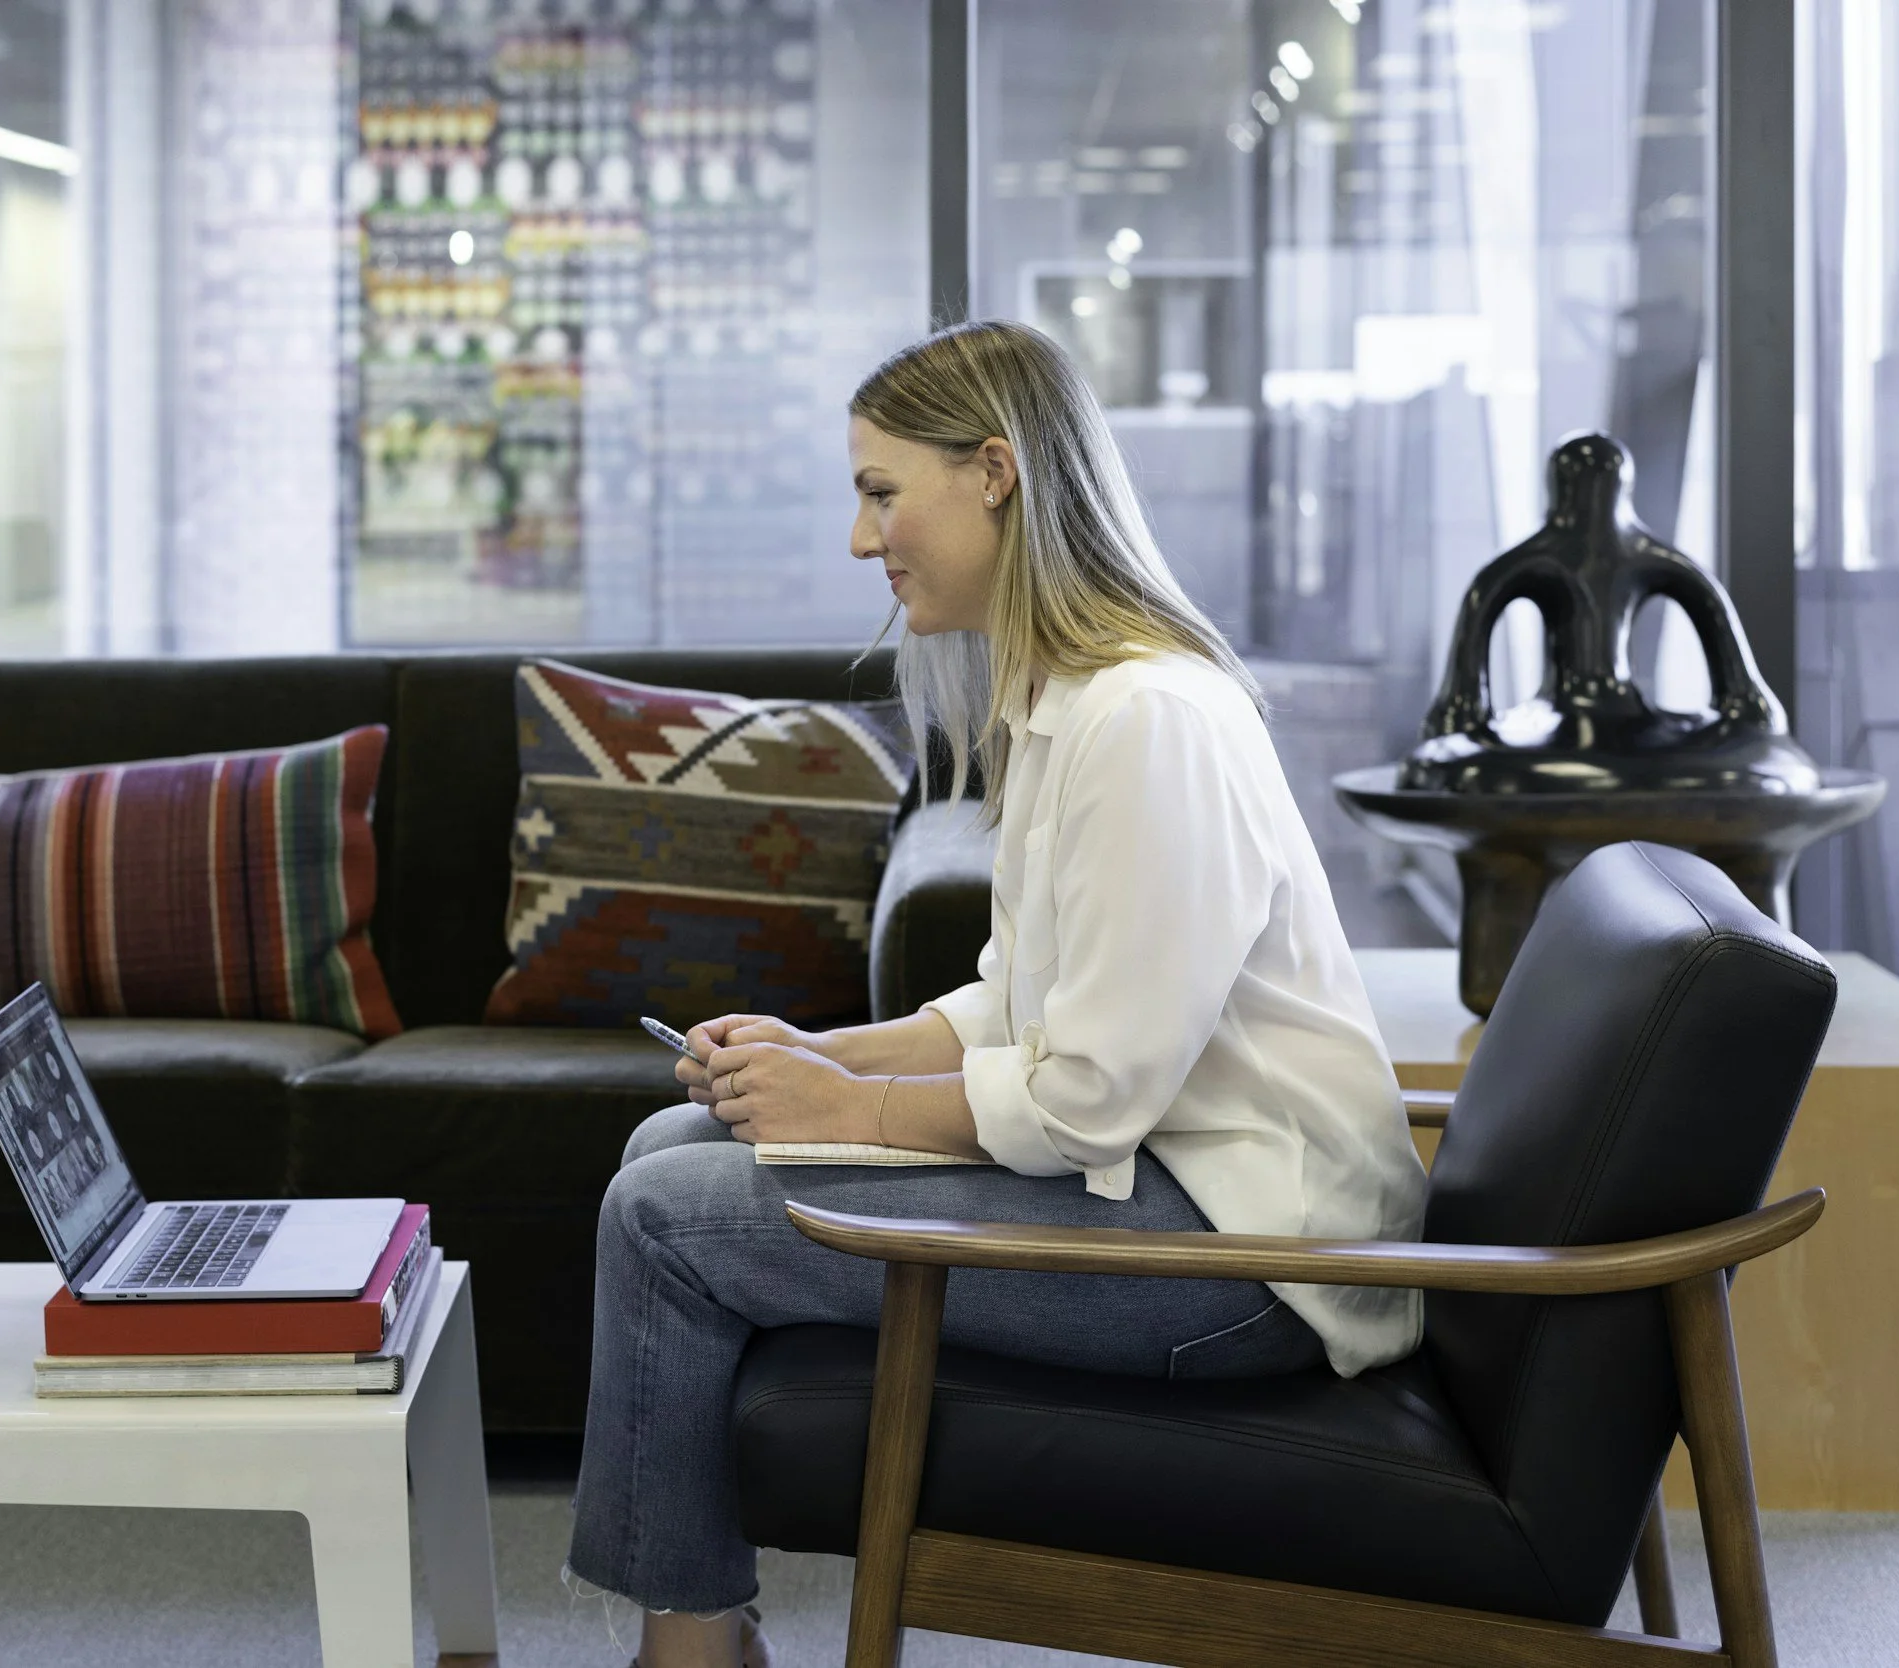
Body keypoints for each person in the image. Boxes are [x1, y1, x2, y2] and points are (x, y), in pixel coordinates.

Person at [564, 320, 1429, 1668]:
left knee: (664, 1216)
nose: (862, 539)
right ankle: (702, 1636)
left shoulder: (1147, 721)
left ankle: (689, 1655)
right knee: (671, 1140)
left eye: (880, 492)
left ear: (994, 473)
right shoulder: (1070, 703)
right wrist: (816, 1055)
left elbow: (1086, 1097)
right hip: (1174, 1189)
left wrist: (843, 1106)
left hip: (1257, 1260)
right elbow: (1010, 1004)